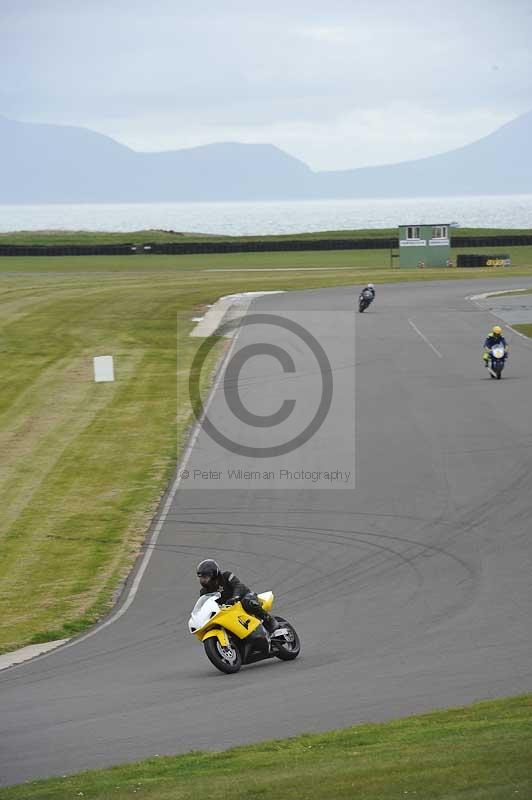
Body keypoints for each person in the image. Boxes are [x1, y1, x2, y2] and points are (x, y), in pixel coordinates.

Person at [196, 559, 280, 633]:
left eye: (205, 577)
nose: (202, 580)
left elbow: (238, 585)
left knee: (248, 602)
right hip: (227, 610)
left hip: (242, 598)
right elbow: (205, 606)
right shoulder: (204, 592)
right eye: (201, 578)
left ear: (214, 574)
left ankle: (269, 620)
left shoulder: (226, 576)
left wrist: (235, 597)